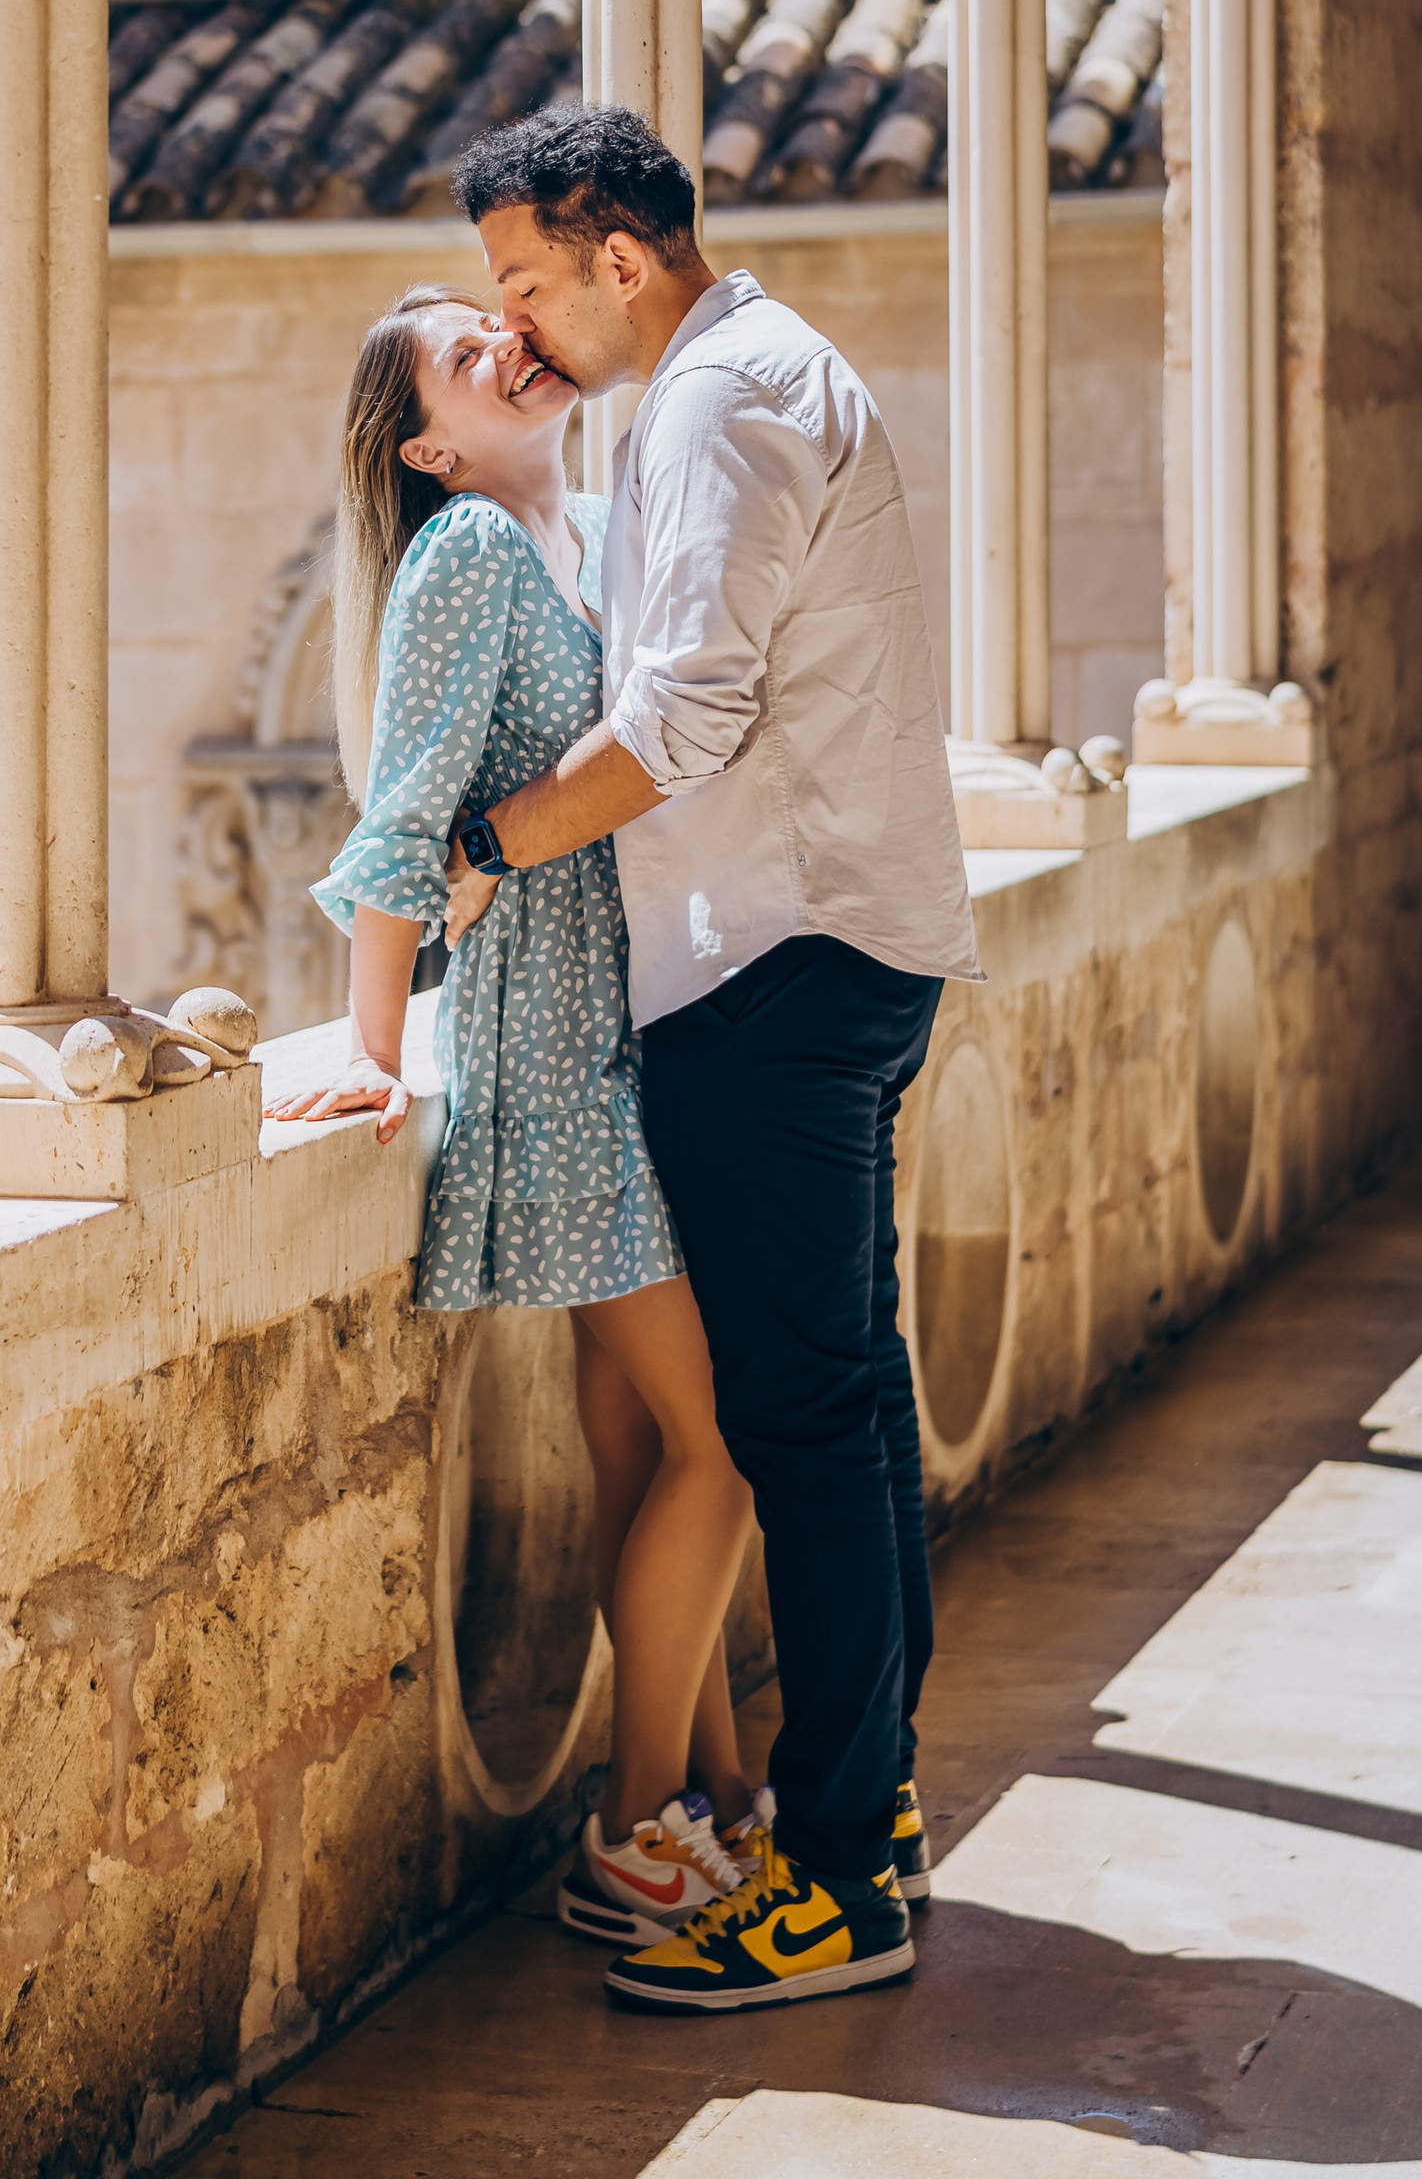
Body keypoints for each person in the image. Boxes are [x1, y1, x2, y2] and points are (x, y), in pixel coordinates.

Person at [443, 105, 979, 2015]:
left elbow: (682, 711)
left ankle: (838, 1880)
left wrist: (481, 846)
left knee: (808, 1428)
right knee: (843, 1407)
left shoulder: (715, 402)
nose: (512, 319)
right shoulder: (741, 372)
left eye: (527, 279)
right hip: (839, 946)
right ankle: (875, 1818)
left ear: (619, 258)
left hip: (779, 958)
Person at [267, 284, 765, 1945]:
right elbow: (406, 807)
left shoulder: (601, 527)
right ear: (427, 441)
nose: (501, 343)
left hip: (636, 1032)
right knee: (732, 1438)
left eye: (495, 318)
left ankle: (717, 1805)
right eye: (458, 356)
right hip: (556, 1058)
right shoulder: (466, 554)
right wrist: (373, 1041)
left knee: (640, 1452)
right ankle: (633, 1834)